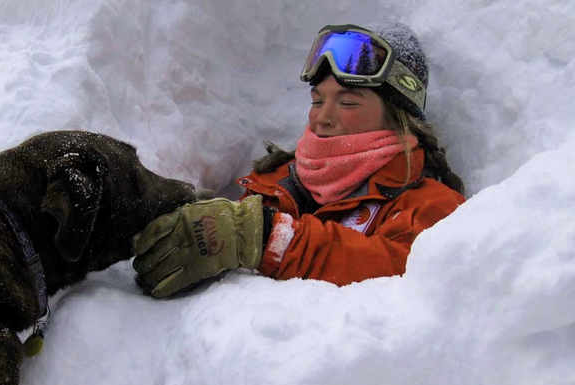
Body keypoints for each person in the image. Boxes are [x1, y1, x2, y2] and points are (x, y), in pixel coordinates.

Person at [133, 22, 466, 298]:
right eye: (317, 100)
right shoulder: (279, 177)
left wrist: (264, 237)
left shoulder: (431, 206)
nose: (323, 118)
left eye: (347, 103)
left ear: (398, 117)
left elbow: (402, 276)